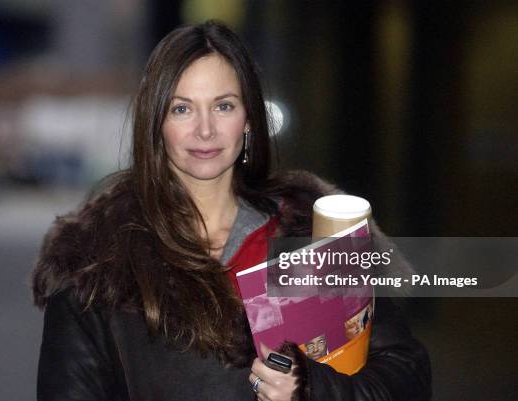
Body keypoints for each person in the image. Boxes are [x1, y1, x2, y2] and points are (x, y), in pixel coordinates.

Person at [32, 20, 431, 401]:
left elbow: (405, 378)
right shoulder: (95, 261)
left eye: (223, 106)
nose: (205, 130)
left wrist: (312, 389)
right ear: (156, 123)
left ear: (248, 120)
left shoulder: (311, 234)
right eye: (181, 109)